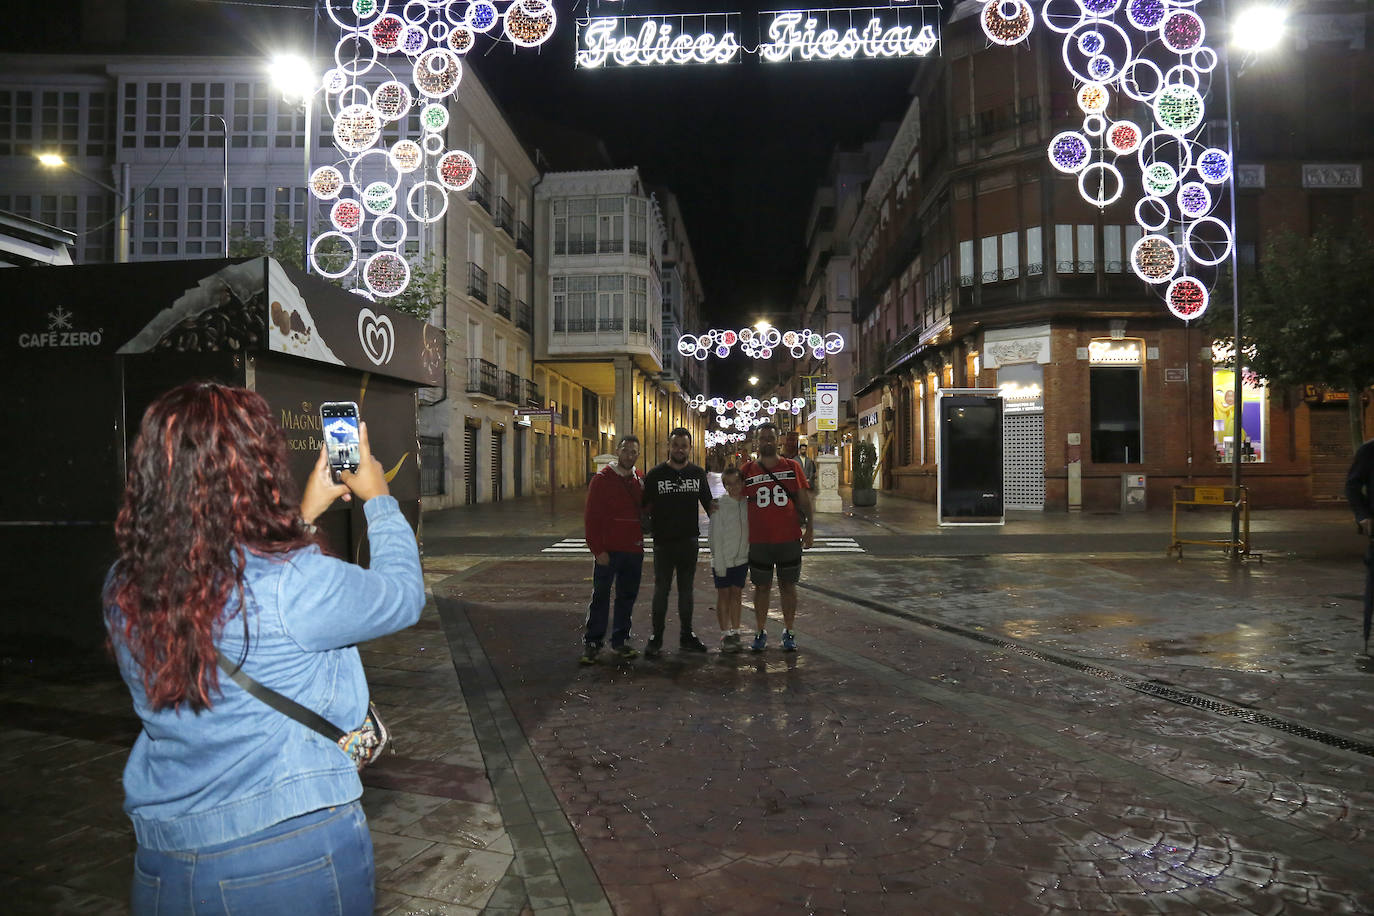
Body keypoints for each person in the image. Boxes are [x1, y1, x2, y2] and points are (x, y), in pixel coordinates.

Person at [102, 382, 424, 916]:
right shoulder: (294, 583)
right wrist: (380, 499)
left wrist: (304, 514)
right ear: (258, 465)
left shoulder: (126, 585)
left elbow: (224, 585)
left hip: (165, 863)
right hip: (286, 858)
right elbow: (402, 598)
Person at [740, 422, 815, 652]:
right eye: (763, 438)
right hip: (759, 540)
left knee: (788, 586)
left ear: (778, 440)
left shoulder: (792, 467)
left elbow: (804, 499)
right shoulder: (747, 470)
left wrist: (810, 529)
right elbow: (736, 504)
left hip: (788, 538)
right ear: (757, 441)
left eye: (771, 438)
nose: (767, 442)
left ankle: (789, 630)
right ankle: (760, 630)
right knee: (761, 587)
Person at [642, 427, 714, 656]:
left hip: (689, 540)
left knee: (686, 591)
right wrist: (649, 527)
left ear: (689, 448)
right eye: (675, 445)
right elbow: (642, 506)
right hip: (663, 542)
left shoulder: (697, 473)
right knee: (661, 590)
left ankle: (686, 635)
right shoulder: (655, 475)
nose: (679, 449)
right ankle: (657, 636)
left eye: (684, 446)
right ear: (668, 447)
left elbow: (709, 505)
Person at [583, 434, 645, 664]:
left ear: (638, 455)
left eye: (633, 452)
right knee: (600, 596)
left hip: (633, 549)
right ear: (617, 451)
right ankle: (593, 640)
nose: (629, 455)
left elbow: (646, 508)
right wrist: (597, 550)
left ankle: (620, 639)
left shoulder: (639, 479)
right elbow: (591, 517)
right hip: (608, 551)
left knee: (626, 597)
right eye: (626, 450)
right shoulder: (602, 479)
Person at [709, 466, 750, 654]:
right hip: (723, 559)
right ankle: (725, 632)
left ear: (742, 483)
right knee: (723, 595)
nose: (733, 487)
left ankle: (736, 630)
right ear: (725, 485)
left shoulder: (747, 504)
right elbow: (714, 537)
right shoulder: (720, 505)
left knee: (736, 595)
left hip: (741, 559)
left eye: (736, 483)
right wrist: (719, 562)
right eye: (729, 484)